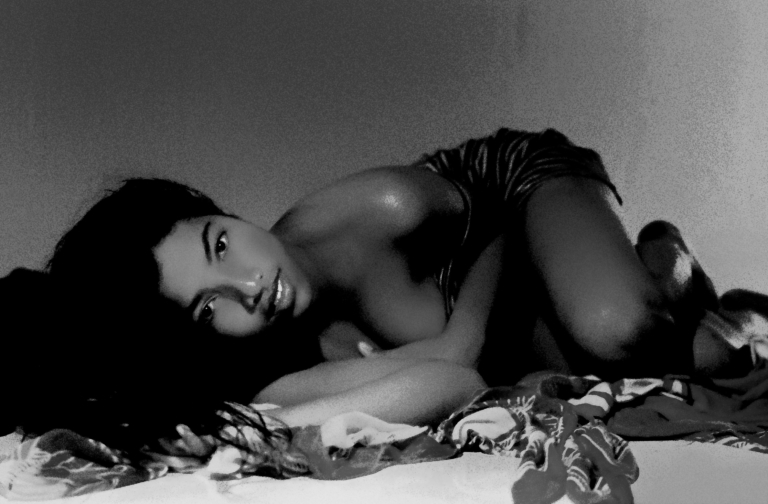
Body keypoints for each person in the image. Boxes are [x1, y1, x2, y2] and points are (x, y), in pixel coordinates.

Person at [15, 128, 701, 452]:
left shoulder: (377, 210)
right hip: (491, 316)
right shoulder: (268, 367)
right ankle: (673, 295)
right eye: (208, 305)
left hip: (511, 201)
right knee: (698, 357)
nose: (249, 286)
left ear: (221, 212)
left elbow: (496, 241)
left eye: (220, 245)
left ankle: (662, 256)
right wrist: (261, 423)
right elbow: (451, 369)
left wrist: (460, 339)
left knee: (618, 327)